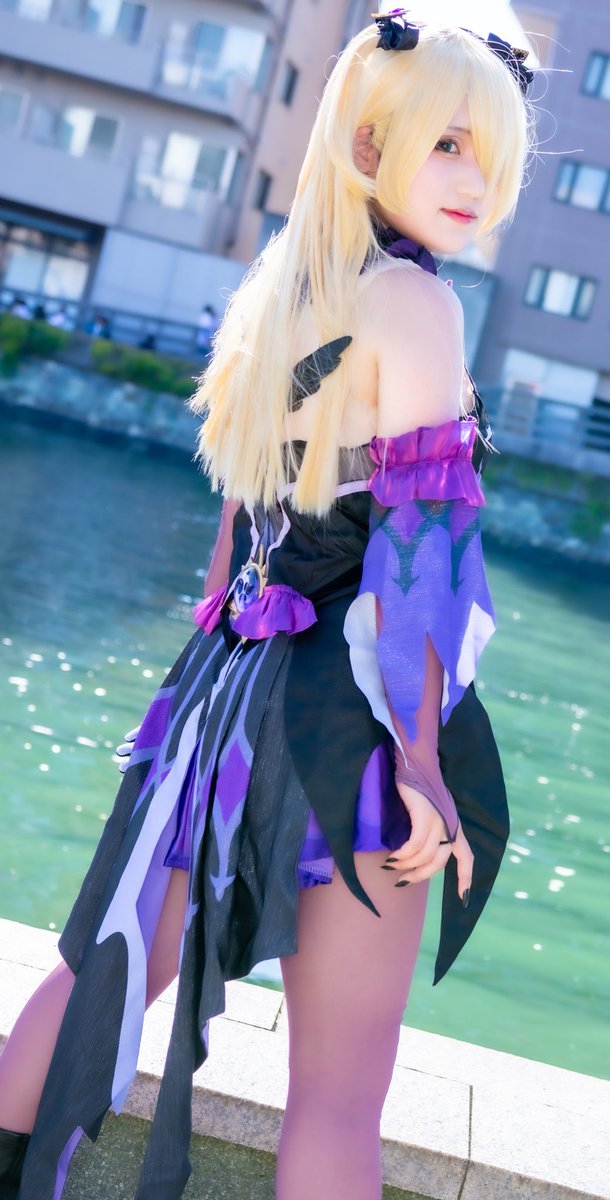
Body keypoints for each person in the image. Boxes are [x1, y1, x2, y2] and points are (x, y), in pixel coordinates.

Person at [0, 11, 533, 1200]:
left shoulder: (282, 291)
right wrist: (422, 762)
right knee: (336, 1100)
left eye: (490, 153)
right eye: (447, 145)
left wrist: (205, 698)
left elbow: (235, 532)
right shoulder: (417, 306)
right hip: (348, 717)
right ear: (365, 147)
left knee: (100, 977)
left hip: (226, 694)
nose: (476, 181)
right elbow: (419, 560)